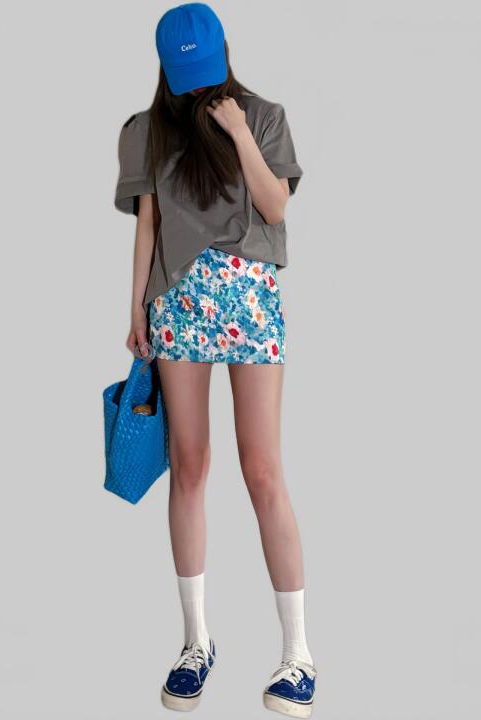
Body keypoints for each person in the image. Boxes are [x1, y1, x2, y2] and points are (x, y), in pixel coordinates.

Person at [114, 3, 316, 717]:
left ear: (225, 50)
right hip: (177, 304)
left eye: (206, 67)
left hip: (250, 301)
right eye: (187, 74)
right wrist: (135, 308)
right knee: (190, 465)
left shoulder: (263, 116)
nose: (199, 83)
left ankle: (298, 654)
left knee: (263, 469)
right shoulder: (145, 131)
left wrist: (237, 131)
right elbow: (148, 223)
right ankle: (196, 643)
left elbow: (276, 207)